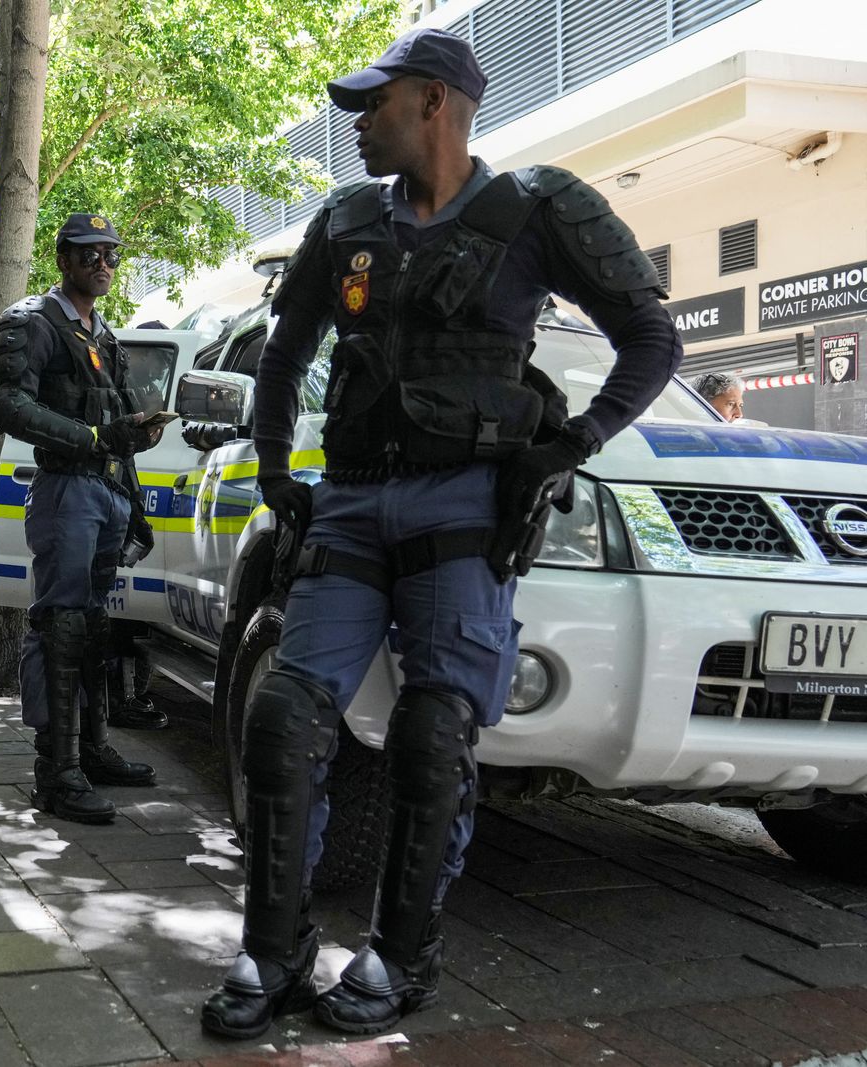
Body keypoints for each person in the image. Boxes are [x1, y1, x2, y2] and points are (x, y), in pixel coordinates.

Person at [200, 28, 682, 1038]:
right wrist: (280, 465)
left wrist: (578, 438)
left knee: (432, 731)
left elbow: (652, 337)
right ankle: (271, 949)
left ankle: (398, 956)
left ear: (433, 102)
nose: (356, 123)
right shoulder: (344, 222)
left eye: (372, 104)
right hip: (349, 502)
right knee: (282, 717)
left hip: (464, 509)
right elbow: (285, 355)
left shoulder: (539, 208)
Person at [0, 212, 168, 824]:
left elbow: (117, 433)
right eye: (89, 253)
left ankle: (90, 750)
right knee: (61, 627)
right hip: (66, 491)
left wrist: (136, 501)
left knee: (93, 626)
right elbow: (8, 405)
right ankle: (56, 773)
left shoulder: (106, 336)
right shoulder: (33, 322)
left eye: (111, 255)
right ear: (63, 259)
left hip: (106, 492)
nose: (103, 264)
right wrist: (93, 436)